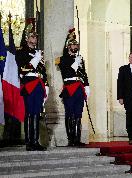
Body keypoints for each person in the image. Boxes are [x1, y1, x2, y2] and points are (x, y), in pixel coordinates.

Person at [16, 18, 49, 151]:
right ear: (26, 38)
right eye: (32, 36)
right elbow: (22, 69)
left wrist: (46, 84)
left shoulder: (38, 53)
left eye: (35, 37)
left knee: (37, 112)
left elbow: (43, 71)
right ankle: (29, 142)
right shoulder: (21, 52)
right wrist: (34, 60)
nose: (34, 39)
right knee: (30, 112)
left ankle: (35, 141)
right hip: (29, 84)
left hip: (39, 85)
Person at [56, 28, 90, 146]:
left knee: (78, 114)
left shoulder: (80, 59)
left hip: (79, 88)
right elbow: (67, 72)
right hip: (69, 88)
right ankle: (71, 139)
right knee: (70, 113)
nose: (75, 46)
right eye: (73, 45)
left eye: (76, 44)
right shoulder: (62, 59)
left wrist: (87, 86)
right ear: (68, 46)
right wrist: (76, 63)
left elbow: (84, 74)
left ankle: (77, 139)